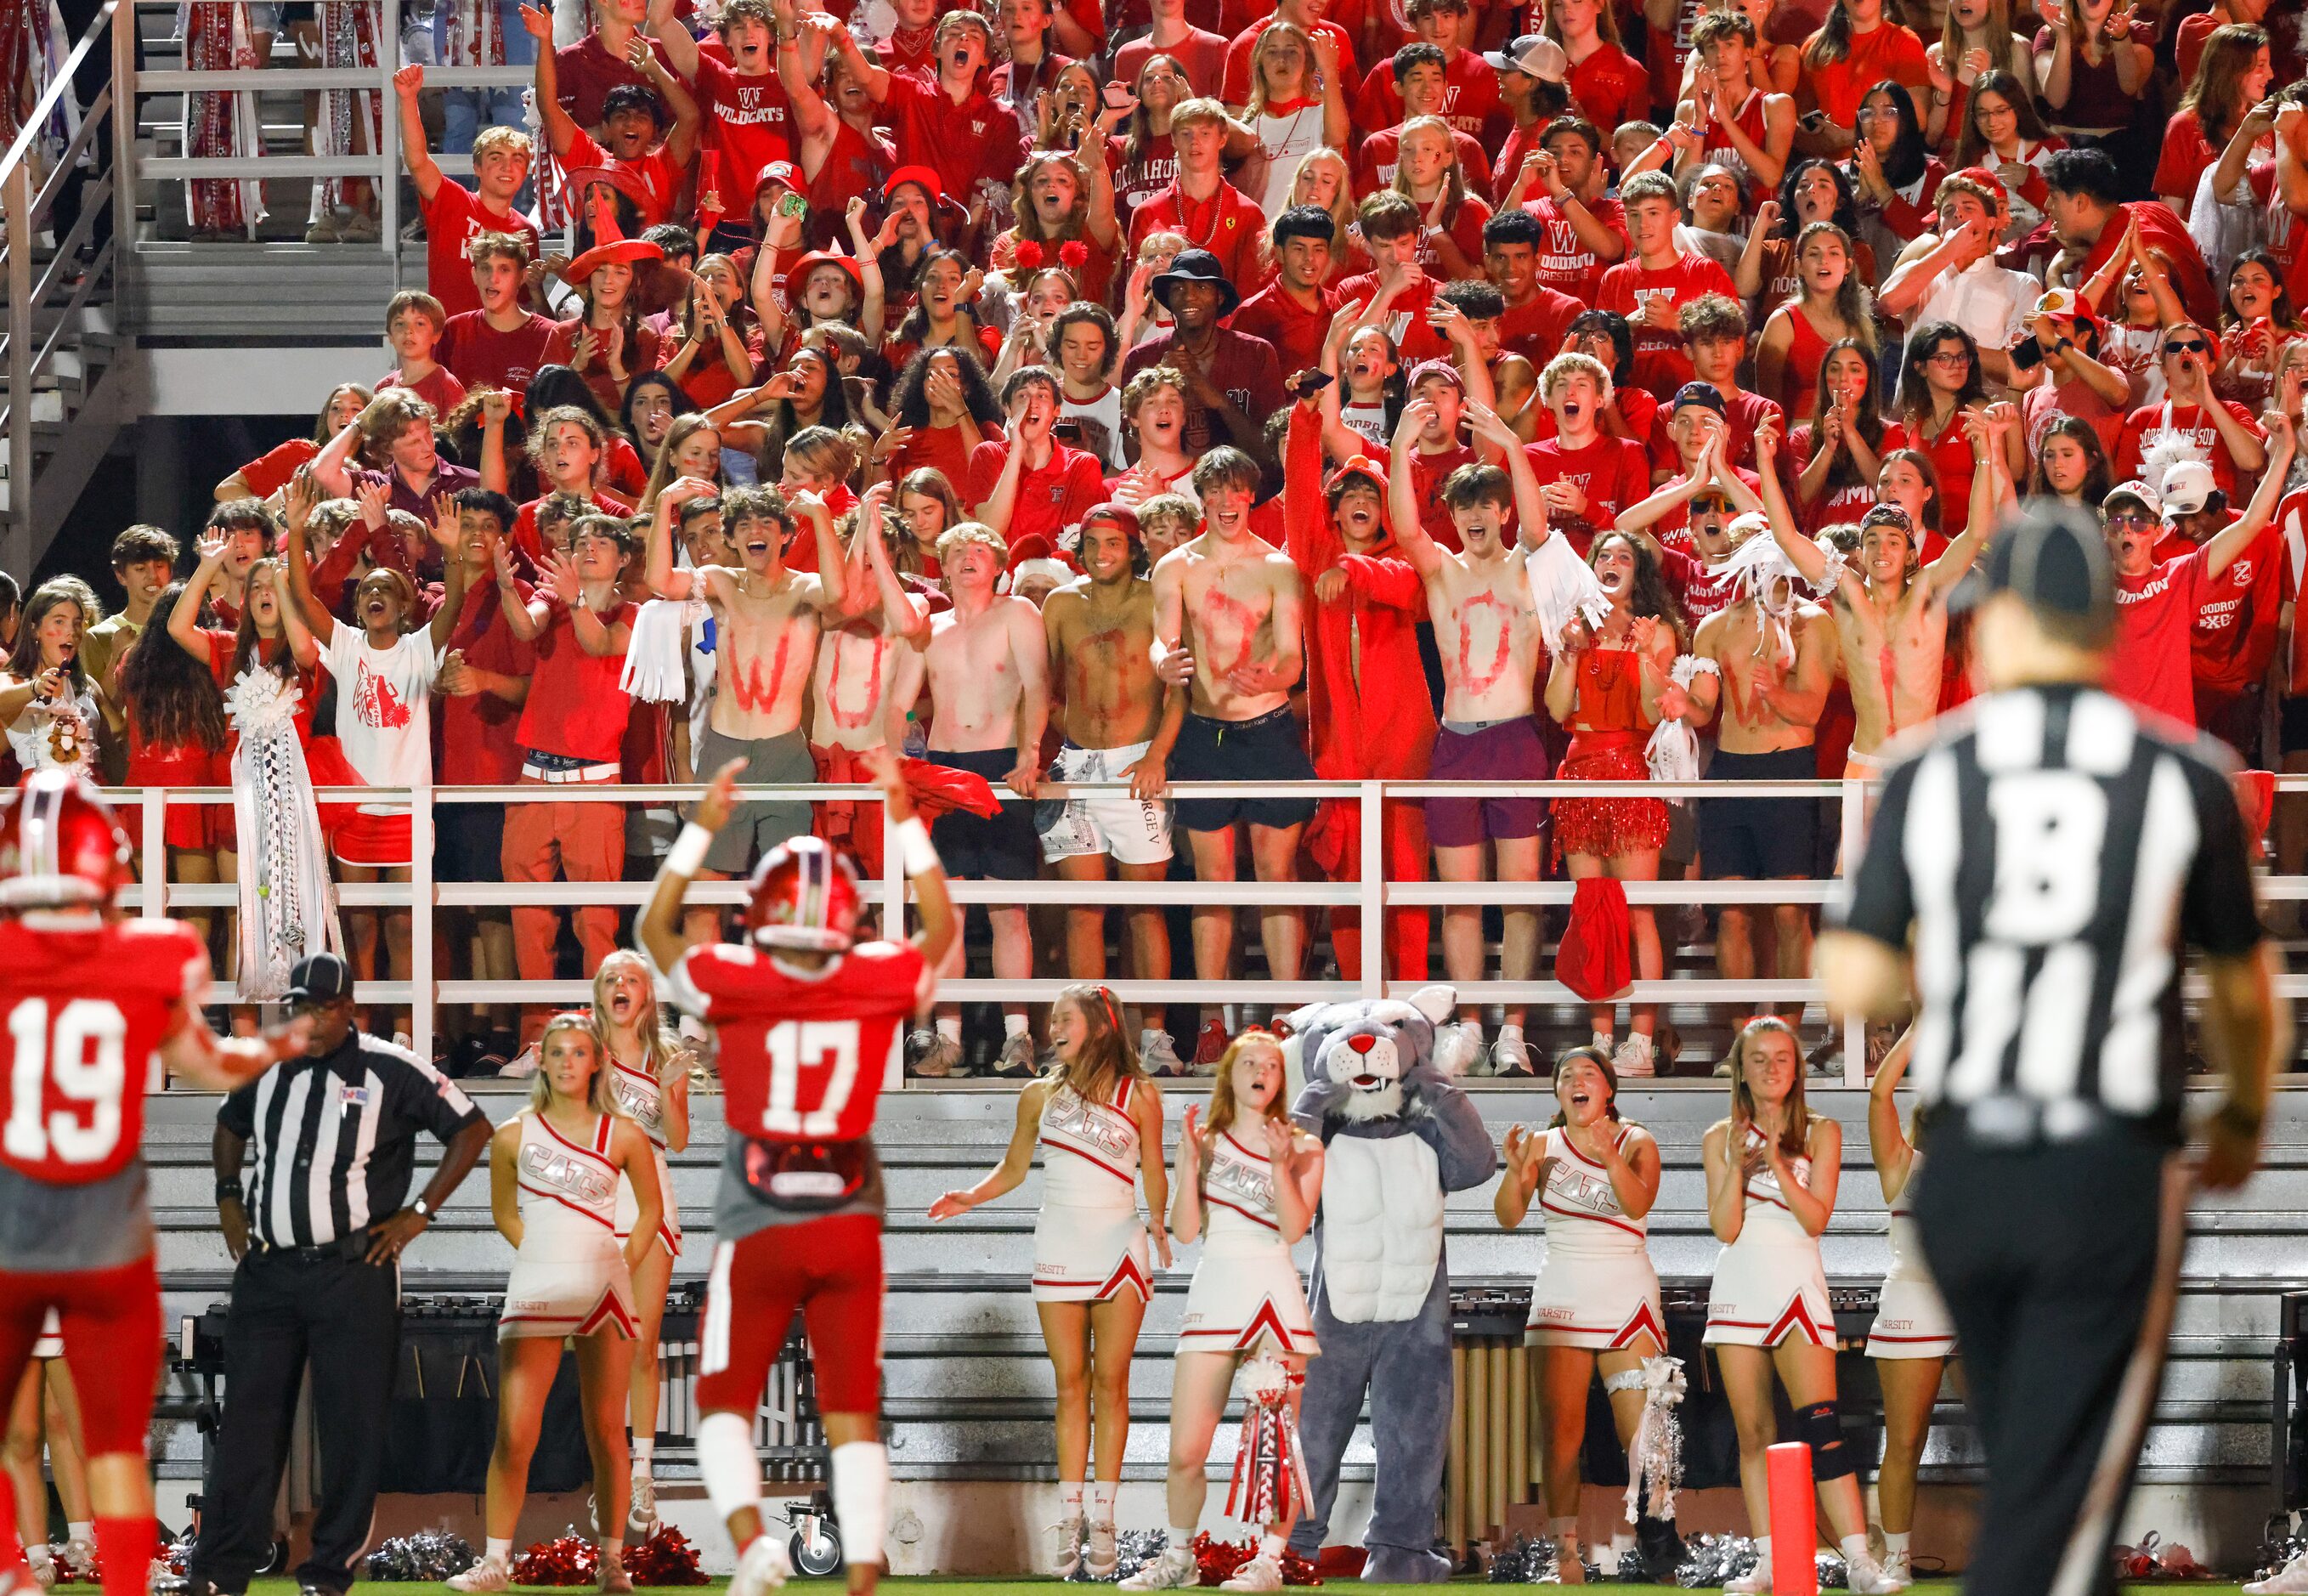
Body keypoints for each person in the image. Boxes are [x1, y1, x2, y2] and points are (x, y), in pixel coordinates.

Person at [1820, 503, 2283, 1596]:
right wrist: (2242, 1115)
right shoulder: (2186, 773)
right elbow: (2242, 985)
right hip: (2101, 1169)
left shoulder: (1932, 770)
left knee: (2042, 1471)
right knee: (2065, 1517)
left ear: (2021, 620)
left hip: (1967, 1178)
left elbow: (1854, 974)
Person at [636, 749, 958, 1596]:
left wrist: (702, 825)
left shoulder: (735, 977)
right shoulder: (874, 973)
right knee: (850, 1409)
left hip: (761, 1212)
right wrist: (902, 820)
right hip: (848, 1216)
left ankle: (753, 1549)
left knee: (722, 1404)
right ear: (846, 917)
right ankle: (860, 1568)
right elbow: (942, 929)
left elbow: (654, 931)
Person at [0, 773, 308, 1596]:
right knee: (112, 1451)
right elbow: (208, 1064)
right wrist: (274, 1049)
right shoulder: (154, 953)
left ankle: (12, 1571)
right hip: (105, 1237)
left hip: (8, 1230)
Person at [194, 951, 489, 1596]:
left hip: (353, 1271)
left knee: (351, 1428)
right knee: (248, 1423)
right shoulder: (268, 1059)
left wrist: (419, 1213)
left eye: (323, 1007)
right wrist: (226, 1194)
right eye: (300, 1004)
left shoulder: (392, 1067)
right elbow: (227, 1123)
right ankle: (219, 1572)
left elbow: (471, 1129)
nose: (310, 1018)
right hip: (268, 1270)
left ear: (350, 1008)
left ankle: (328, 1574)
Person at [928, 985, 1171, 1578]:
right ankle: (1070, 1518)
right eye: (1052, 1018)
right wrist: (970, 1196)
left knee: (1112, 1383)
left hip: (1120, 1246)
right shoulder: (1038, 1093)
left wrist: (1160, 1225)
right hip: (1059, 1243)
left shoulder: (1139, 1092)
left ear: (1099, 1024)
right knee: (1070, 1384)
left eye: (1066, 1017)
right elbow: (1014, 1167)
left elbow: (1155, 1169)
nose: (1054, 1026)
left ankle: (1106, 1520)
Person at [447, 1012, 662, 1594]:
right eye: (558, 1052)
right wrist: (543, 1253)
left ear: (597, 1062)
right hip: (538, 1287)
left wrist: (621, 1263)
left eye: (578, 1053)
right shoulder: (513, 1134)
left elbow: (651, 1213)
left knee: (605, 1431)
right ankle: (495, 1563)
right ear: (540, 1059)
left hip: (606, 1292)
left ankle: (613, 1562)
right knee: (515, 1432)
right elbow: (504, 1214)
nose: (568, 1062)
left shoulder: (624, 1134)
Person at [1117, 1031, 1323, 1595]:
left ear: (1282, 1079)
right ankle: (1179, 1557)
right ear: (1229, 1074)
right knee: (1186, 1450)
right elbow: (1184, 1231)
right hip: (1215, 1292)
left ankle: (1268, 1563)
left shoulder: (1304, 1146)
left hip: (1275, 1296)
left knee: (1273, 1445)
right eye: (1250, 1062)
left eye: (1273, 1064)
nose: (1262, 1070)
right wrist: (1185, 1159)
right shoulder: (1203, 1140)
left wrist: (1280, 1165)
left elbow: (1294, 1228)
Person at [1703, 1017, 1897, 1594]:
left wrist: (1778, 1162)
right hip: (1740, 1283)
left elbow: (1816, 1218)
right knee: (1754, 1431)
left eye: (1781, 1058)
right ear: (1740, 1069)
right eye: (1758, 1059)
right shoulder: (1719, 1136)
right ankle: (1769, 1562)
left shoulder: (1822, 1130)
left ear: (1798, 1067)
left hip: (1798, 1282)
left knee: (1822, 1426)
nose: (1771, 1068)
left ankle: (1862, 1564)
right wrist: (1740, 1162)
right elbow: (1725, 1228)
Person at [1389, 399, 1553, 1073]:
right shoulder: (1442, 572)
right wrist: (1400, 447)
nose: (1479, 516)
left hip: (1515, 738)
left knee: (1519, 899)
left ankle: (1513, 1028)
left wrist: (1514, 447)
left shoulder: (1526, 568)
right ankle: (1467, 1026)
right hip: (1456, 741)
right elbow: (1405, 529)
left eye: (1490, 505)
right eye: (1466, 508)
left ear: (1504, 511)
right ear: (1453, 517)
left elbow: (1542, 532)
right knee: (1460, 900)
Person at [1149, 447, 1312, 1058]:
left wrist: (1272, 678)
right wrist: (1164, 662)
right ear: (1202, 499)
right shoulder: (1175, 568)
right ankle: (1214, 1021)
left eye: (1235, 491)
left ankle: (1288, 1016)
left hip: (1266, 730)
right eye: (1213, 492)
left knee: (1277, 879)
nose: (1224, 503)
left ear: (1251, 497)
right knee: (1211, 883)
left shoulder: (1277, 567)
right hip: (1204, 734)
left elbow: (1294, 659)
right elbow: (1161, 646)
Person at [1495, 1046, 1679, 1582]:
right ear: (1557, 1092)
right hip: (1563, 1292)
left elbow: (1637, 1205)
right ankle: (1566, 1552)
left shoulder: (1636, 1139)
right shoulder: (1540, 1145)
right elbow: (1508, 1217)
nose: (1577, 1080)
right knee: (1560, 1434)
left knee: (1647, 1434)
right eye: (1566, 1074)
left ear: (1609, 1091)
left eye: (1589, 1074)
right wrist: (1514, 1172)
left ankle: (1658, 1545)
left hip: (1627, 1295)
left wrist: (1610, 1155)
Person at [642, 481, 847, 942]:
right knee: (703, 895)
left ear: (785, 535)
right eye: (745, 525)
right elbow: (660, 582)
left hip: (785, 753)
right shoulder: (720, 582)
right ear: (731, 538)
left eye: (767, 523)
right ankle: (702, 1011)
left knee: (789, 897)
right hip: (723, 752)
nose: (756, 532)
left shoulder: (805, 588)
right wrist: (663, 504)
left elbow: (838, 594)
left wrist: (820, 516)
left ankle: (785, 1007)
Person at [1035, 504, 1182, 1065]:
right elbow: (1040, 682)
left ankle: (1155, 1039)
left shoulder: (1155, 599)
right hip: (1074, 765)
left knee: (1145, 907)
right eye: (1093, 542)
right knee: (1084, 908)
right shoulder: (1060, 603)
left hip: (1137, 764)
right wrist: (1048, 747)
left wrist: (1158, 756)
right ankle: (1089, 1040)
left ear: (1133, 546)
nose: (1102, 553)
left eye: (1113, 543)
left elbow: (1179, 689)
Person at [901, 520, 1047, 1077]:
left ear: (998, 562)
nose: (968, 557)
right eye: (957, 550)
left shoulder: (1017, 614)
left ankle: (1017, 1038)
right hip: (942, 771)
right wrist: (904, 753)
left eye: (979, 549)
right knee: (947, 916)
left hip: (1002, 764)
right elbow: (900, 704)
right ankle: (948, 1039)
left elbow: (1037, 683)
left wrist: (1030, 753)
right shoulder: (930, 629)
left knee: (1009, 912)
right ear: (943, 564)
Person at [592, 950, 689, 1536]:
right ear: (600, 993)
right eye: (611, 979)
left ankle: (643, 1483)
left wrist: (670, 1088)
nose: (621, 986)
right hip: (598, 1201)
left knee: (644, 1346)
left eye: (632, 979)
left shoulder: (665, 1055)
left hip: (653, 1202)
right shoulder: (580, 1047)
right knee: (605, 1351)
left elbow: (677, 1139)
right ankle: (608, 1475)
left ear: (647, 995)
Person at [1862, 1030, 1955, 1594]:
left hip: (1974, 1310)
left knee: (2009, 1438)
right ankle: (1896, 1559)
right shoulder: (1903, 1162)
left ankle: (2027, 1555)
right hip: (1913, 1304)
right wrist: (1922, 1026)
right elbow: (1879, 1096)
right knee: (1904, 1441)